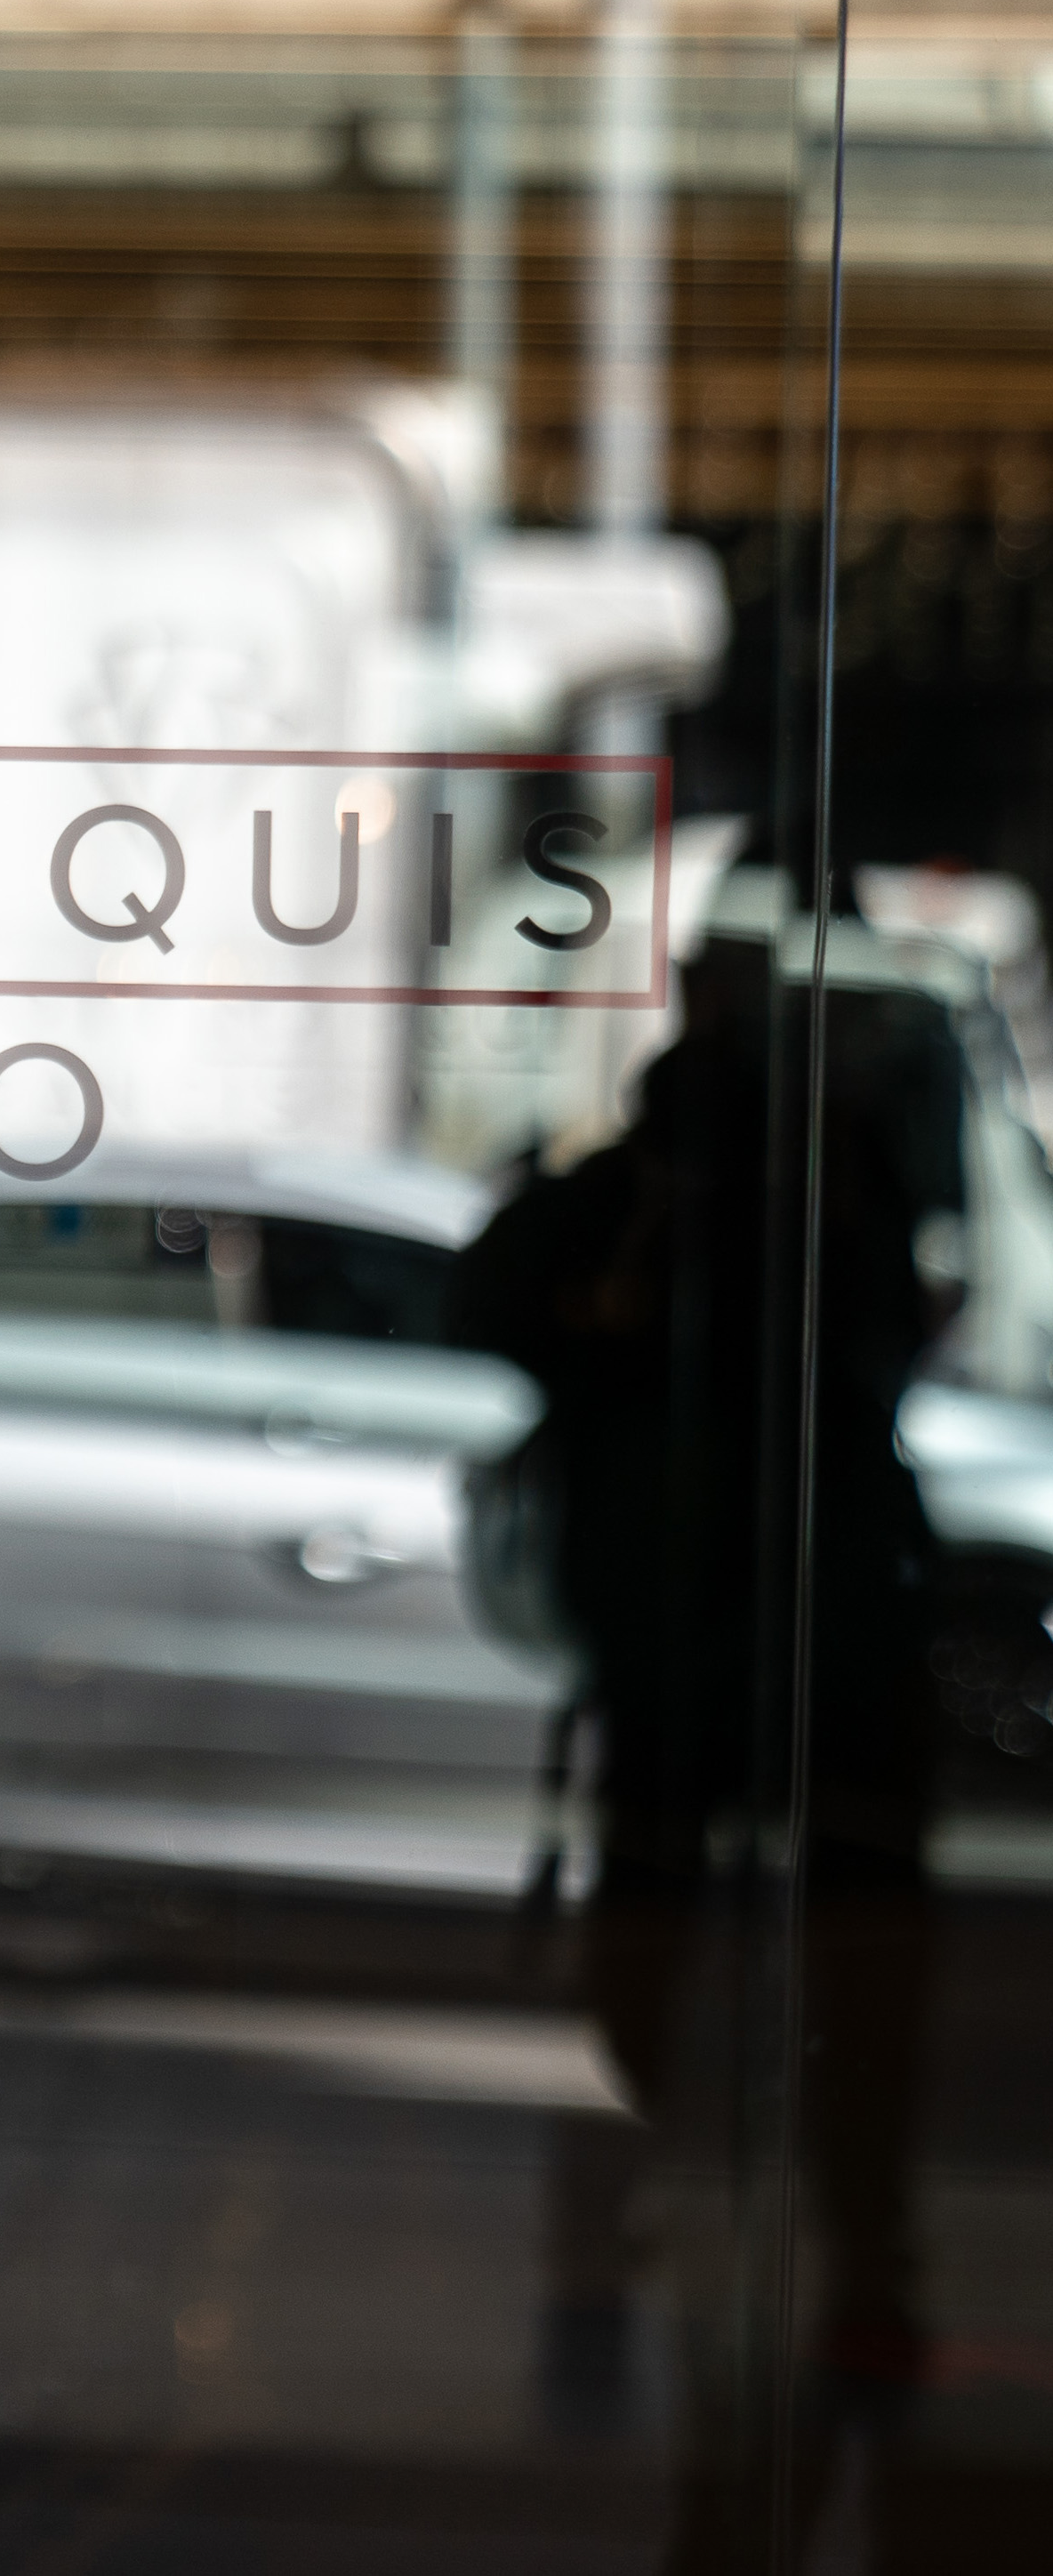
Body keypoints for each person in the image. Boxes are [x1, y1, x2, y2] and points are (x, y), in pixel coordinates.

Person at [454, 923, 960, 2571]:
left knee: (831, 1956)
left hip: (781, 1642)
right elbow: (493, 1296)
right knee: (684, 1942)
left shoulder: (832, 1188)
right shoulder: (673, 1189)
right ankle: (662, 2232)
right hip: (704, 1644)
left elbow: (883, 1324)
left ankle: (834, 2252)